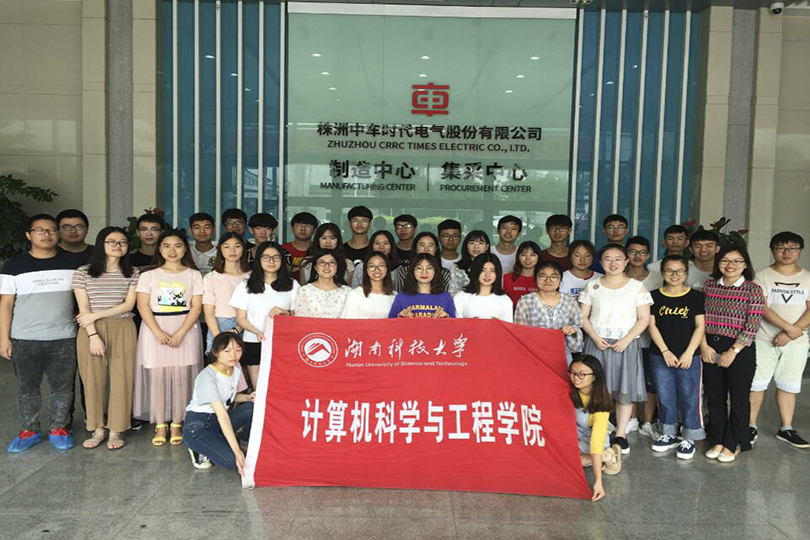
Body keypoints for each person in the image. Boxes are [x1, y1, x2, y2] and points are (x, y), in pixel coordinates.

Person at [2, 214, 83, 453]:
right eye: (40, 230)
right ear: (29, 235)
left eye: (51, 230)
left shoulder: (73, 264)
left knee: (63, 387)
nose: (46, 235)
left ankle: (59, 428)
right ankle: (30, 430)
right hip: (24, 337)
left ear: (57, 234)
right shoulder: (13, 266)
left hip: (64, 336)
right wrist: (3, 338)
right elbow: (6, 304)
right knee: (27, 388)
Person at [579, 243, 653, 455]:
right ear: (601, 262)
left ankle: (620, 434)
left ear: (626, 261)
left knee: (623, 391)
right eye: (608, 259)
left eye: (618, 259)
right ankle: (597, 431)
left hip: (625, 345)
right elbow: (582, 317)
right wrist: (595, 337)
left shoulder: (637, 287)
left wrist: (626, 340)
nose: (613, 263)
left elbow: (644, 318)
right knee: (594, 389)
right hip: (597, 343)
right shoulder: (592, 286)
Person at [133, 229, 204, 447]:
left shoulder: (194, 275)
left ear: (185, 249)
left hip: (185, 328)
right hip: (155, 328)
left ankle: (177, 422)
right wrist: (157, 332)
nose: (172, 251)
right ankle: (160, 423)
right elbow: (142, 305)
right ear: (159, 249)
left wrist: (181, 332)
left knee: (182, 377)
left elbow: (196, 306)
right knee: (158, 378)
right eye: (166, 246)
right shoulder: (148, 275)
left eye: (178, 246)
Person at [72, 227, 139, 451]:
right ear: (101, 244)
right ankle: (97, 428)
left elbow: (129, 305)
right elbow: (83, 308)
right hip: (90, 330)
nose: (118, 246)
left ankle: (117, 429)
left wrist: (96, 315)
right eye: (112, 241)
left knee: (122, 378)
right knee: (92, 379)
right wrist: (93, 334)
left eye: (123, 242)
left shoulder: (133, 272)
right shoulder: (83, 272)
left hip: (123, 327)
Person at [700, 246, 764, 462]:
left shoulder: (753, 289)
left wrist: (733, 351)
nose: (731, 265)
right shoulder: (708, 286)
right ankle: (717, 439)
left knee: (738, 398)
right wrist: (704, 346)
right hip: (710, 346)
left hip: (740, 349)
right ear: (718, 263)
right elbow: (699, 319)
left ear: (745, 265)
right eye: (725, 260)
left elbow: (752, 326)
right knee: (715, 396)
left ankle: (734, 441)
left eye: (737, 261)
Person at [750, 232, 810, 448]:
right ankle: (750, 425)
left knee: (789, 384)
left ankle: (786, 428)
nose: (786, 252)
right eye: (781, 248)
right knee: (756, 384)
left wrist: (792, 332)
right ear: (772, 250)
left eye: (792, 248)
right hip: (764, 338)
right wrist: (789, 329)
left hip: (796, 342)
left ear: (800, 250)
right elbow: (762, 307)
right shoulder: (761, 276)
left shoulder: (807, 277)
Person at [647, 255, 706, 460]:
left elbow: (700, 326)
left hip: (689, 356)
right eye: (669, 271)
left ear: (686, 273)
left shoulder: (696, 297)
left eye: (679, 271)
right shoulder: (653, 296)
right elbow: (651, 325)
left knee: (690, 396)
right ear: (662, 273)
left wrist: (689, 352)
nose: (674, 275)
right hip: (660, 355)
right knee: (664, 395)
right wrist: (665, 351)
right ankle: (668, 433)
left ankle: (689, 436)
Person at [183, 333, 255, 473]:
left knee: (253, 406)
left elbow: (229, 397)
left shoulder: (236, 368)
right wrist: (236, 452)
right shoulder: (207, 376)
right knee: (233, 461)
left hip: (217, 422)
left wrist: (248, 397)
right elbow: (222, 415)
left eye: (238, 350)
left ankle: (245, 445)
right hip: (199, 427)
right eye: (227, 351)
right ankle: (196, 446)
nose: (233, 355)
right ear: (216, 352)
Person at [231, 242, 299, 386]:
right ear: (258, 260)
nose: (271, 261)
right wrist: (257, 332)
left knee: (282, 385)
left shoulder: (293, 285)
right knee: (259, 388)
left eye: (276, 257)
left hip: (283, 341)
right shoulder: (245, 286)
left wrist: (286, 313)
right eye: (266, 257)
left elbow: (300, 316)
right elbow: (241, 319)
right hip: (254, 340)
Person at [569, 355, 622, 502]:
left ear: (594, 377)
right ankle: (596, 458)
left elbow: (596, 442)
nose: (575, 378)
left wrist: (598, 481)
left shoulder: (600, 406)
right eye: (572, 373)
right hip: (574, 434)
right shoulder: (571, 389)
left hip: (591, 438)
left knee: (571, 461)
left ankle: (608, 456)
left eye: (582, 374)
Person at [625, 235, 663, 438]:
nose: (637, 256)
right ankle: (631, 418)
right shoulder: (619, 277)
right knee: (627, 380)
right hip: (625, 339)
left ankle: (647, 422)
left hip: (652, 338)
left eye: (642, 252)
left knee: (651, 381)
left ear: (648, 255)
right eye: (632, 251)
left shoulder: (657, 279)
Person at [515, 261, 584, 364]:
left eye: (554, 277)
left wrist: (572, 330)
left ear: (560, 279)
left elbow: (578, 326)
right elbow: (520, 332)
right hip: (533, 356)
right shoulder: (525, 301)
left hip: (562, 355)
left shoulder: (570, 301)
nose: (548, 280)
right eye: (543, 276)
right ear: (535, 278)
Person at [202, 233, 249, 353]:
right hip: (219, 326)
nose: (232, 251)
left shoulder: (252, 277)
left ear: (243, 248)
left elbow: (255, 308)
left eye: (237, 246)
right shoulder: (211, 278)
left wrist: (238, 329)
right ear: (220, 250)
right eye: (226, 246)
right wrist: (218, 336)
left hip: (248, 326)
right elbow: (208, 311)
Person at [389, 254, 456, 318]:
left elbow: (454, 324)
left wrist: (447, 318)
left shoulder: (446, 297)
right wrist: (399, 317)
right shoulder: (401, 297)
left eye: (429, 268)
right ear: (412, 271)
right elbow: (390, 323)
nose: (424, 272)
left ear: (435, 271)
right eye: (419, 268)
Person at [453, 254, 513, 322]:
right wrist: (469, 324)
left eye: (492, 271)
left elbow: (508, 327)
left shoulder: (505, 300)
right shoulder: (461, 297)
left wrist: (497, 325)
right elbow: (455, 326)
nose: (487, 275)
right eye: (483, 270)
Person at [296, 249, 352, 318]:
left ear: (337, 267)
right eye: (322, 262)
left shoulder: (348, 292)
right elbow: (300, 319)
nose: (327, 266)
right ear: (315, 267)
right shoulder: (304, 291)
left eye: (331, 262)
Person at [341, 251, 396, 319]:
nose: (377, 270)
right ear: (366, 269)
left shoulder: (395, 296)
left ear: (387, 268)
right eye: (372, 266)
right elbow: (348, 322)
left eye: (381, 266)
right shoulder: (355, 295)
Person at [504, 241, 542, 307]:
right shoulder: (505, 279)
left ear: (538, 257)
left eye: (532, 255)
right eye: (523, 255)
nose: (528, 258)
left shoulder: (544, 280)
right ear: (518, 257)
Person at [282, 211, 317, 280]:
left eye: (308, 226)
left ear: (315, 230)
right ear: (292, 228)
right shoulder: (282, 249)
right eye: (299, 225)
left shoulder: (319, 250)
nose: (303, 229)